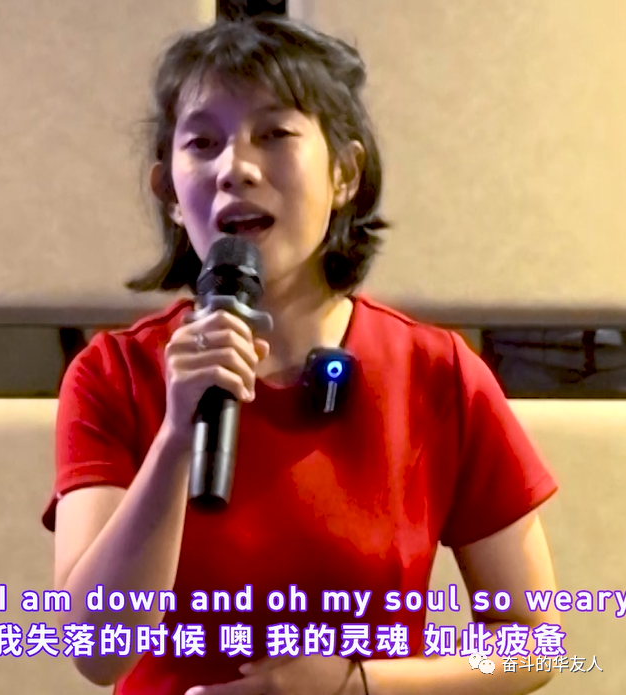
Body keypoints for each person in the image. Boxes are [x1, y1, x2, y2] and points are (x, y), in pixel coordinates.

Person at [42, 15, 560, 695]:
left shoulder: (437, 373)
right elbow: (95, 649)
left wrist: (354, 686)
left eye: (274, 134)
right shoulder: (112, 374)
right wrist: (175, 439)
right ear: (168, 191)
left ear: (345, 173)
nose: (235, 168)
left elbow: (534, 646)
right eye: (202, 142)